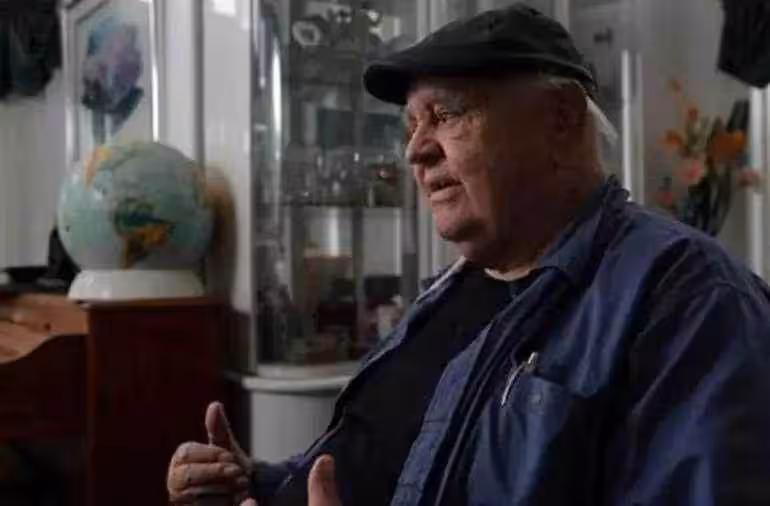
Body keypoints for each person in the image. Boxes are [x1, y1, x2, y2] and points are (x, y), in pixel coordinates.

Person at [167, 5, 770, 505]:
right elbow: (382, 458)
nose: (415, 150)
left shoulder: (689, 300)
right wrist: (259, 483)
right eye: (410, 125)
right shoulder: (447, 293)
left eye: (447, 115)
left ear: (560, 121)